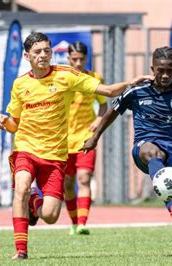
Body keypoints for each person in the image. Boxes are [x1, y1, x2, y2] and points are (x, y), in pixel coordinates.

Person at [0, 32, 151, 260]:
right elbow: (14, 124)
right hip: (26, 148)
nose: (43, 55)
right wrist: (3, 122)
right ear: (27, 56)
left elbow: (106, 91)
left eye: (47, 51)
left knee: (49, 215)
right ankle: (21, 250)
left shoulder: (65, 76)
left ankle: (35, 202)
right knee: (21, 187)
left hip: (55, 155)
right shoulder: (20, 85)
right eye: (37, 52)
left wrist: (130, 83)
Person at [81, 46, 172, 256]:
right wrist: (95, 137)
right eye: (160, 70)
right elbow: (113, 110)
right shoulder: (137, 91)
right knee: (152, 152)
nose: (165, 75)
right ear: (153, 68)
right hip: (145, 146)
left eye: (170, 70)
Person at [63, 41, 107, 236]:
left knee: (84, 178)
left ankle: (82, 223)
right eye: (74, 59)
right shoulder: (62, 79)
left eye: (82, 59)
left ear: (87, 58)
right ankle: (73, 222)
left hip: (85, 138)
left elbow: (104, 104)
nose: (78, 63)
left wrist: (98, 120)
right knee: (67, 183)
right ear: (68, 59)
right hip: (63, 141)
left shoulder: (94, 79)